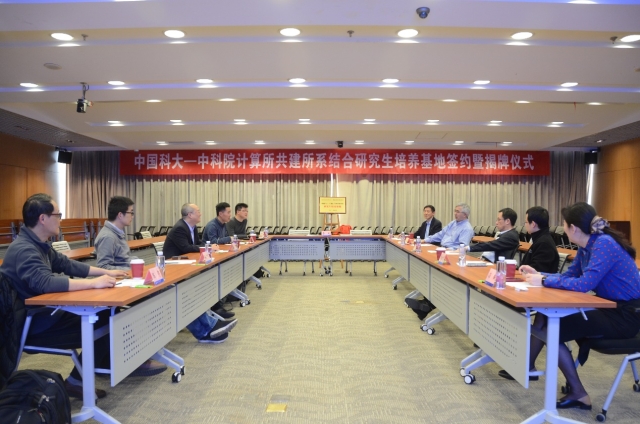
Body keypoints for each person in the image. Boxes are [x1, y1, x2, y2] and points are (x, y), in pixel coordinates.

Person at [507, 203, 640, 410]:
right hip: (607, 307)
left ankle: (579, 393)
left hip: (626, 315)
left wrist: (544, 281)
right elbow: (569, 276)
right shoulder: (588, 245)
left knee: (553, 330)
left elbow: (584, 284)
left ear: (574, 228)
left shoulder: (603, 244)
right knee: (548, 320)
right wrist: (539, 275)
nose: (563, 229)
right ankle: (530, 368)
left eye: (564, 225)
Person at [0, 193, 129, 400]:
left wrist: (106, 272)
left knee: (108, 315)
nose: (61, 219)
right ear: (43, 218)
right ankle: (78, 381)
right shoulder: (24, 249)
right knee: (105, 320)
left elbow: (67, 265)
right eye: (58, 215)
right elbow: (46, 283)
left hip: (45, 315)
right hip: (32, 324)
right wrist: (93, 283)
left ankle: (83, 376)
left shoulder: (39, 244)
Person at [93, 195, 167, 375]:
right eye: (131, 213)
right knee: (148, 301)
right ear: (120, 214)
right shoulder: (108, 236)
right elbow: (103, 267)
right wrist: (129, 269)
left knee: (161, 292)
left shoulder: (117, 233)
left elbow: (122, 260)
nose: (133, 216)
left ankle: (143, 350)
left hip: (127, 282)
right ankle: (134, 356)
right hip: (117, 288)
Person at [163, 203, 237, 342]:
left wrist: (207, 247)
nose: (200, 213)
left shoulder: (192, 227)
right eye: (198, 211)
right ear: (190, 215)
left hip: (185, 265)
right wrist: (207, 247)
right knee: (186, 296)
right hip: (173, 269)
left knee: (192, 294)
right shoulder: (180, 228)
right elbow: (186, 248)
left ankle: (210, 324)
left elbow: (197, 244)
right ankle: (209, 327)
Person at [406, 203, 474, 320]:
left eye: (458, 211)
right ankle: (425, 305)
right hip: (443, 252)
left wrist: (448, 252)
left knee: (441, 281)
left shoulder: (467, 228)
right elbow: (440, 234)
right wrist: (424, 240)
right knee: (435, 277)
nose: (455, 213)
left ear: (465, 214)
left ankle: (426, 305)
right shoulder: (453, 223)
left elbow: (462, 248)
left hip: (452, 256)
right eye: (455, 211)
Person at [519, 206, 560, 273]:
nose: (525, 225)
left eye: (525, 222)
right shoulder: (540, 238)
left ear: (533, 224)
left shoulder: (544, 244)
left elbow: (535, 270)